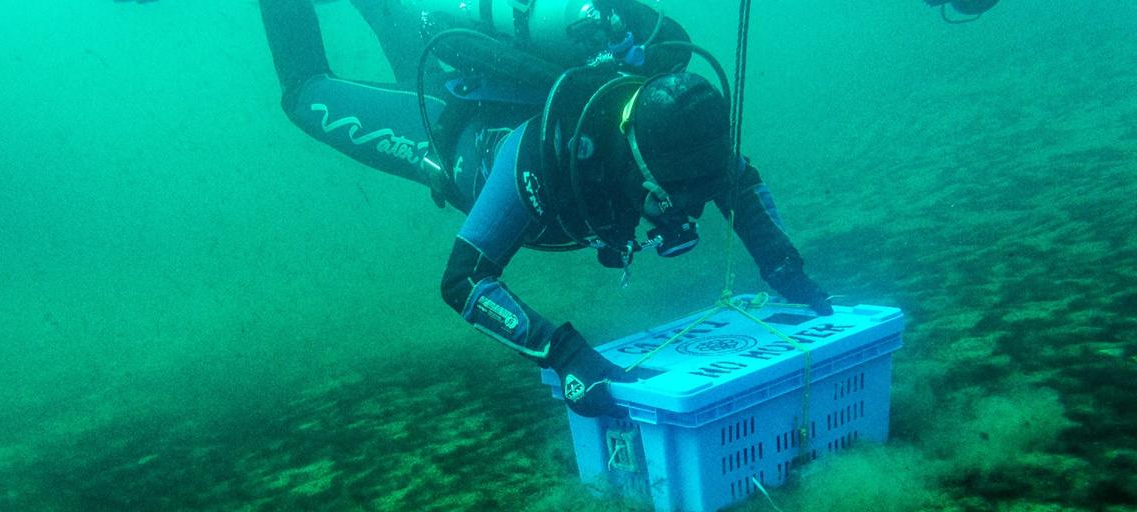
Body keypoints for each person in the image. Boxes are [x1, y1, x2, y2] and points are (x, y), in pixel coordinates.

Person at [256, 0, 832, 417]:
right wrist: (563, 352)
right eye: (671, 197)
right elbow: (464, 281)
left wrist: (788, 272)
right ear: (636, 163)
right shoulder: (543, 154)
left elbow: (741, 186)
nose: (683, 212)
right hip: (453, 142)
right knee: (306, 94)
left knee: (399, 27)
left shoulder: (682, 135)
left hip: (490, 87)